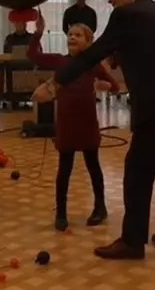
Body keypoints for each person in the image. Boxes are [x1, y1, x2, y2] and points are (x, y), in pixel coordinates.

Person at [32, 0, 155, 260]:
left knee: (137, 172)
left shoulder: (126, 13)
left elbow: (93, 54)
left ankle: (132, 242)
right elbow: (150, 53)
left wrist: (54, 84)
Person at [27, 13, 119, 231]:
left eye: (78, 35)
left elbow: (114, 86)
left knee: (93, 166)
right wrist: (38, 32)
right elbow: (33, 55)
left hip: (87, 123)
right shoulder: (60, 61)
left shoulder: (93, 65)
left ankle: (100, 207)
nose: (73, 37)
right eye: (70, 34)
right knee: (64, 170)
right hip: (67, 124)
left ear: (88, 42)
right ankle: (61, 212)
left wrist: (106, 86)